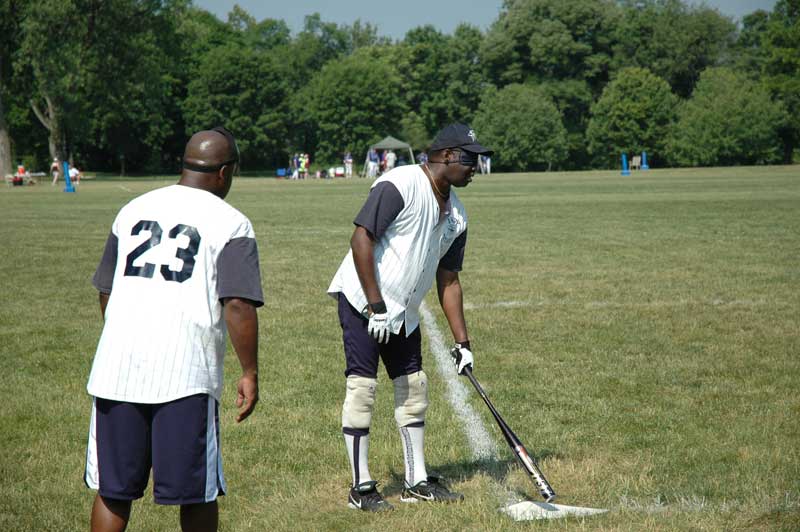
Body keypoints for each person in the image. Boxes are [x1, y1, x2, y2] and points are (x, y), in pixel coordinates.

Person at [84, 127, 264, 532]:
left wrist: (124, 336)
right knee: (196, 493)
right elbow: (237, 304)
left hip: (116, 370)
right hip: (185, 374)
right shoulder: (232, 222)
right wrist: (249, 372)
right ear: (225, 172)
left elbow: (106, 290)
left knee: (113, 491)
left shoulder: (132, 209)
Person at [327, 123, 493, 512]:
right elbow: (361, 238)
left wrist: (463, 343)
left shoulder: (458, 216)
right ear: (448, 155)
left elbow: (449, 280)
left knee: (414, 388)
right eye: (470, 159)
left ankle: (416, 480)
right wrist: (375, 305)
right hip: (363, 301)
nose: (475, 167)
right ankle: (361, 487)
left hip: (404, 312)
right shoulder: (399, 183)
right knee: (362, 390)